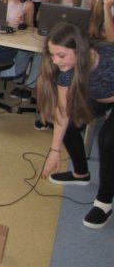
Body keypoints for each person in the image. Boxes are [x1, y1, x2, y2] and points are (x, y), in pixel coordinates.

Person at [38, 22, 114, 229]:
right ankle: (81, 174)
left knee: (107, 140)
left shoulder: (109, 58)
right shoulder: (67, 71)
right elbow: (63, 112)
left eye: (61, 55)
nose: (55, 61)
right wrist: (54, 151)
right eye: (52, 55)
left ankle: (104, 203)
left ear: (79, 50)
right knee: (69, 128)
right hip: (98, 97)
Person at [11, 0, 94, 128]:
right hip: (52, 42)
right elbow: (40, 19)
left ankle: (64, 112)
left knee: (62, 71)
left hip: (75, 48)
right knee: (45, 69)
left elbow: (90, 29)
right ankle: (44, 111)